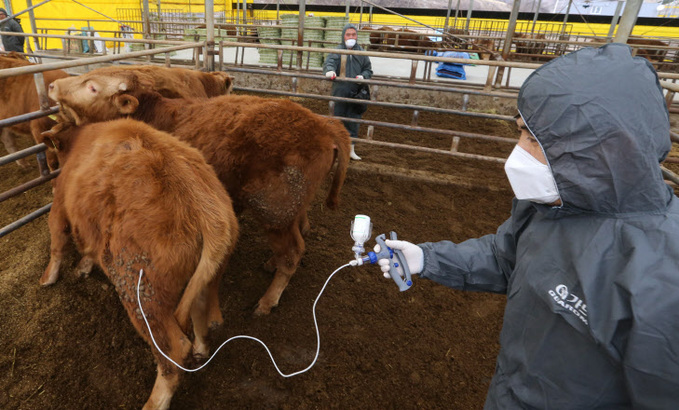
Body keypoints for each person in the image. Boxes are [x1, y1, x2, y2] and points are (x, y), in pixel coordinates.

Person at [375, 43, 679, 408]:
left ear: (598, 148)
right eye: (520, 132)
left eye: (534, 139)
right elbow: (506, 256)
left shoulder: (662, 280)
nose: (517, 153)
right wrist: (426, 258)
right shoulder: (551, 204)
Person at [323, 23, 372, 161]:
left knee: (353, 119)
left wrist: (363, 76)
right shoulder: (337, 51)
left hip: (356, 92)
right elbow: (329, 63)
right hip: (339, 90)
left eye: (353, 34)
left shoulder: (362, 53)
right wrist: (330, 71)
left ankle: (351, 149)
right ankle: (334, 147)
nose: (351, 37)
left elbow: (368, 69)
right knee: (337, 118)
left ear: (357, 36)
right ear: (343, 36)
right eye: (348, 34)